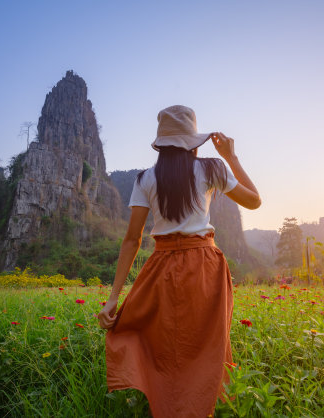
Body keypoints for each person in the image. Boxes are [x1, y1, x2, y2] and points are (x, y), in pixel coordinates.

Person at [98, 105, 260, 417]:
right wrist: (231, 157)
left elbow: (132, 239)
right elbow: (254, 200)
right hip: (205, 267)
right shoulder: (212, 168)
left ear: (162, 144)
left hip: (161, 266)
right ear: (193, 142)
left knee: (161, 344)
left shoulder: (145, 178)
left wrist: (114, 298)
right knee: (205, 347)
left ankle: (167, 405)